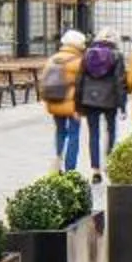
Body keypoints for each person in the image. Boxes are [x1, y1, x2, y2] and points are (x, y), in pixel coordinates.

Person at [74, 27, 127, 178]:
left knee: (93, 134)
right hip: (110, 100)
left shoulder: (87, 55)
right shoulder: (117, 56)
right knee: (111, 131)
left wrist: (78, 105)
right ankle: (109, 161)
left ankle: (95, 169)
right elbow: (119, 82)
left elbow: (79, 80)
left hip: (89, 100)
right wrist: (122, 106)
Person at [40, 28, 88, 171]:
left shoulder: (53, 59)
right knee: (74, 135)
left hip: (54, 101)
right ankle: (70, 168)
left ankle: (58, 160)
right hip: (73, 105)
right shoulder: (79, 61)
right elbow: (83, 86)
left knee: (60, 131)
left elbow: (43, 81)